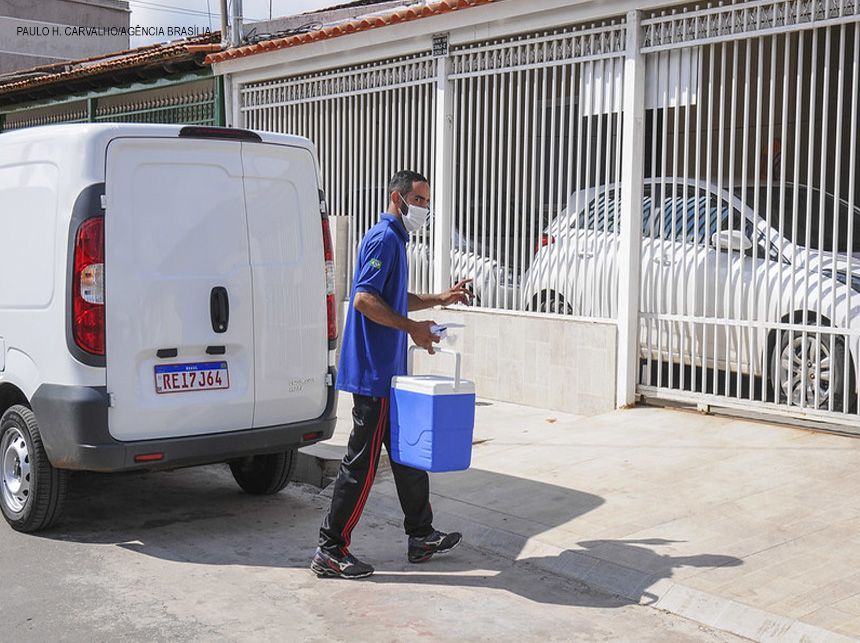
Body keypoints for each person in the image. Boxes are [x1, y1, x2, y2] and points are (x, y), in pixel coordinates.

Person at [311, 170, 473, 579]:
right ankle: (331, 548)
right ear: (397, 199)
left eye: (426, 202)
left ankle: (421, 535)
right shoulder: (384, 238)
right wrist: (413, 330)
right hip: (374, 373)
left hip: (389, 372)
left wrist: (441, 298)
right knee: (361, 464)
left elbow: (394, 298)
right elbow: (365, 299)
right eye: (419, 200)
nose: (425, 209)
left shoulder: (396, 240)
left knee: (406, 455)